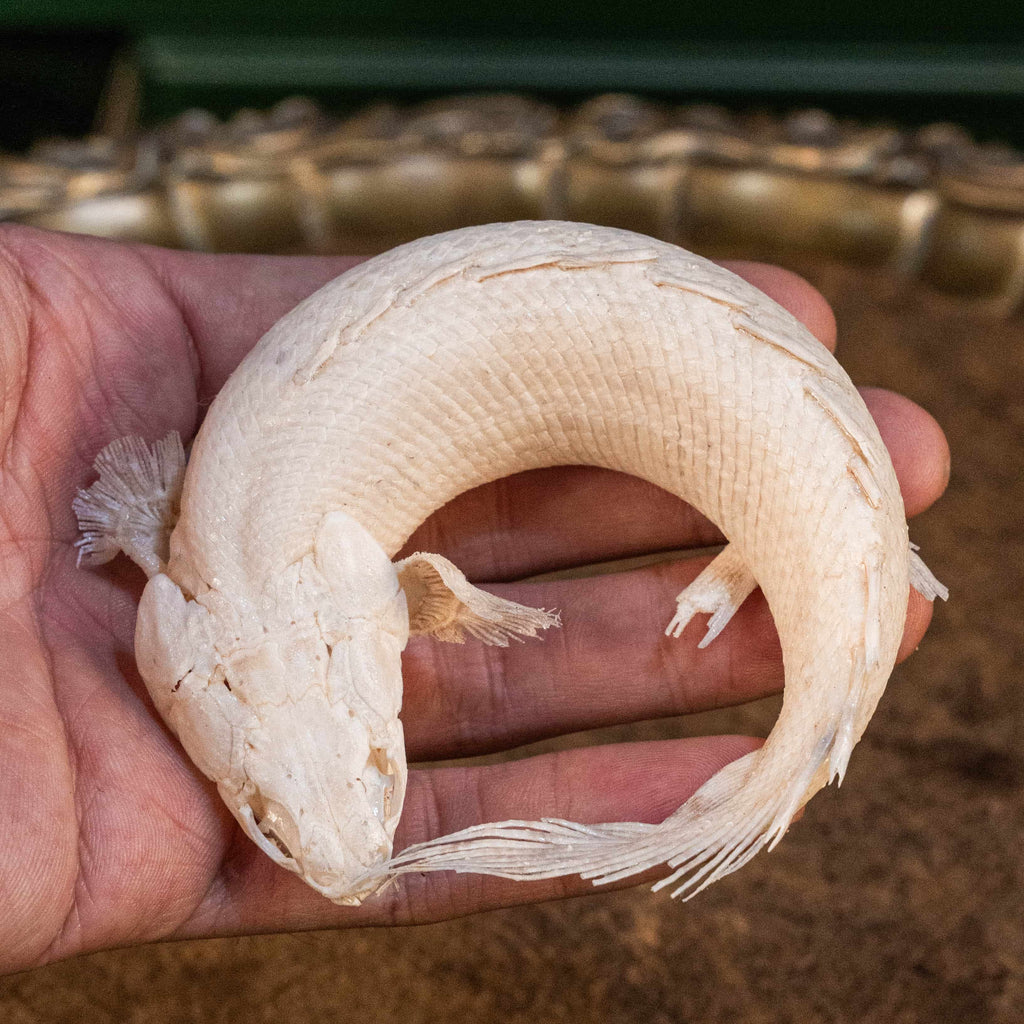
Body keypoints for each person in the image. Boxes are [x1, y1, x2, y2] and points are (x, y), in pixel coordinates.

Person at [0, 223, 949, 973]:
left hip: (706, 354)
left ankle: (820, 557)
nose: (352, 850)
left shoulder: (251, 570)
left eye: (375, 765)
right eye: (262, 820)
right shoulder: (212, 569)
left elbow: (393, 592)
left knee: (835, 483)